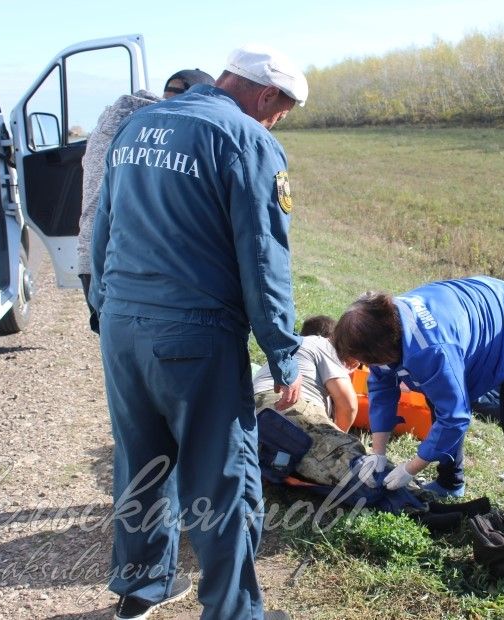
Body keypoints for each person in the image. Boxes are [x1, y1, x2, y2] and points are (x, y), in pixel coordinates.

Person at [89, 44, 307, 620]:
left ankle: (140, 590)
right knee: (223, 476)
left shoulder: (138, 125)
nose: (276, 120)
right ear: (265, 94)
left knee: (140, 462)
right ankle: (233, 612)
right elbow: (263, 260)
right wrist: (284, 354)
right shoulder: (247, 140)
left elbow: (103, 225)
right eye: (280, 109)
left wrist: (102, 305)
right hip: (194, 334)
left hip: (122, 326)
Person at [332, 276, 504, 532]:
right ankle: (451, 482)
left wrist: (412, 467)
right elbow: (382, 387)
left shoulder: (431, 349)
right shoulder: (385, 324)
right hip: (479, 316)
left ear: (384, 350)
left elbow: (455, 417)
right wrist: (379, 453)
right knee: (436, 397)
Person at [77, 68, 214, 327]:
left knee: (117, 347)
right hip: (125, 263)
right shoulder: (160, 132)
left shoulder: (109, 122)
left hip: (89, 255)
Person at [253, 315, 361, 485]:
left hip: (250, 413)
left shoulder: (292, 347)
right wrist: (338, 436)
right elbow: (349, 406)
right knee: (356, 461)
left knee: (302, 454)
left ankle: (279, 468)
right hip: (283, 406)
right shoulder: (324, 345)